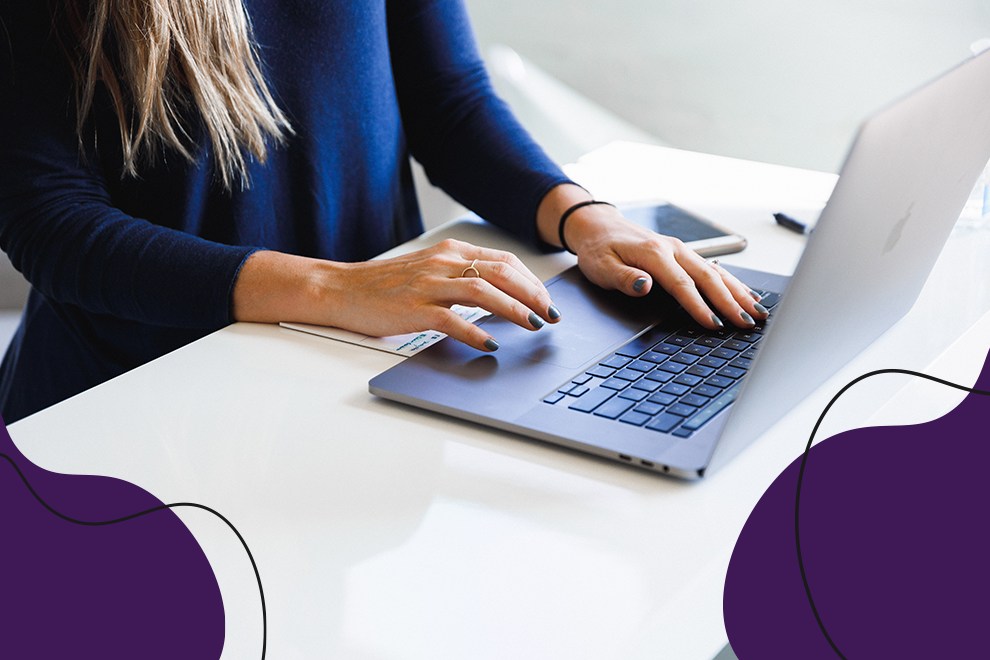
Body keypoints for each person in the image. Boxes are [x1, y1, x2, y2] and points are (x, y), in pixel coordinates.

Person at [0, 0, 767, 424]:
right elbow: (49, 222)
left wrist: (583, 217)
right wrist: (337, 289)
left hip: (360, 372)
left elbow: (448, 98)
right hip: (137, 406)